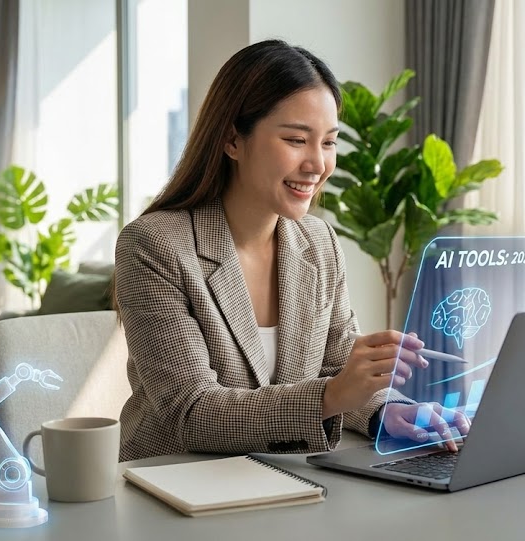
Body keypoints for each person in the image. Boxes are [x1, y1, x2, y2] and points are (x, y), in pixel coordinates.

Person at [114, 39, 470, 461]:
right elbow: (191, 413)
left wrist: (388, 411)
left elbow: (336, 364)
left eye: (329, 142)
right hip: (175, 489)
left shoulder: (318, 243)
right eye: (297, 140)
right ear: (232, 140)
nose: (317, 164)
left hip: (288, 482)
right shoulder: (154, 245)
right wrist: (332, 395)